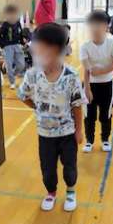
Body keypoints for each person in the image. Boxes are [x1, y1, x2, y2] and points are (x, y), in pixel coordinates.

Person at [18, 23, 83, 212]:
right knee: (47, 169)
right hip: (45, 134)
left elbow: (77, 105)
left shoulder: (71, 76)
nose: (37, 54)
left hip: (67, 133)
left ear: (56, 51)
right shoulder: (33, 75)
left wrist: (79, 131)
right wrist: (36, 107)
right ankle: (51, 192)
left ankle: (70, 191)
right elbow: (23, 95)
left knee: (69, 166)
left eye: (42, 49)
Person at [80, 10, 113, 153]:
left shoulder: (111, 43)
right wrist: (87, 88)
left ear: (106, 27)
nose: (95, 28)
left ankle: (105, 139)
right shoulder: (85, 46)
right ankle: (89, 141)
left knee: (105, 114)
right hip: (90, 85)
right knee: (89, 115)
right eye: (93, 24)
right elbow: (86, 69)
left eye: (99, 25)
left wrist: (101, 71)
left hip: (107, 85)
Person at [0, 4, 26, 89]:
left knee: (21, 65)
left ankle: (12, 74)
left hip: (17, 45)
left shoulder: (18, 23)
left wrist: (22, 41)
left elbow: (20, 33)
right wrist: (2, 44)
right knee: (9, 65)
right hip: (8, 47)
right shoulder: (5, 24)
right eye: (11, 14)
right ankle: (12, 82)